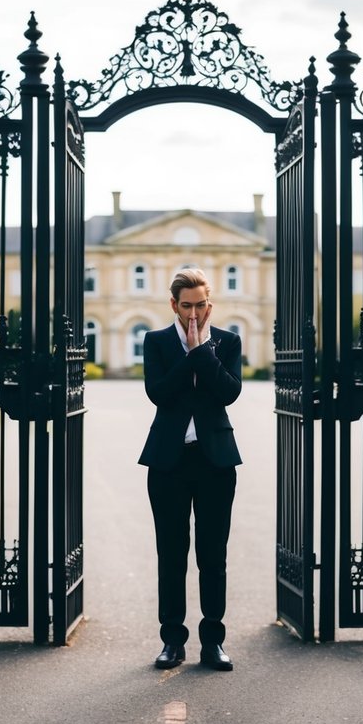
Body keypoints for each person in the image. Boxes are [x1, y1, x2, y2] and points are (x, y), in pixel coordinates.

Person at [138, 268, 243, 671]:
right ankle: (172, 642)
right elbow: (158, 393)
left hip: (216, 461)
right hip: (168, 462)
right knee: (171, 554)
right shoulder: (157, 341)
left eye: (201, 305)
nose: (194, 313)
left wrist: (203, 351)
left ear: (209, 303)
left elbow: (229, 393)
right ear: (173, 305)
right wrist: (192, 354)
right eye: (187, 306)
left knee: (213, 557)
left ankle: (213, 642)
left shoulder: (228, 341)